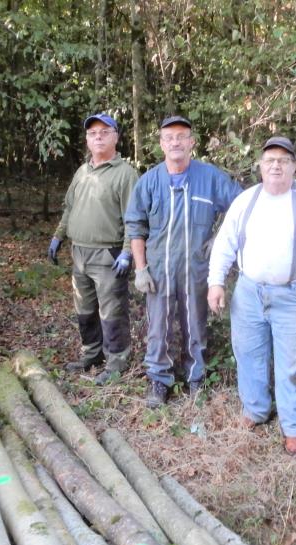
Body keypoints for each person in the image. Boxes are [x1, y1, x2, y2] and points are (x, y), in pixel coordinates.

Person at [207, 136, 296, 454]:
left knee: (293, 363)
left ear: (294, 167)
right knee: (248, 354)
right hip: (248, 292)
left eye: (283, 160)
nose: (276, 165)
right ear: (260, 165)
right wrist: (215, 282)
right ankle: (255, 410)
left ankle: (294, 426)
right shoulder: (245, 201)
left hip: (294, 296)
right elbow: (224, 245)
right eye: (270, 159)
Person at [124, 115, 242, 406]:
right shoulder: (149, 181)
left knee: (195, 323)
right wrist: (140, 269)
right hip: (158, 269)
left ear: (192, 142)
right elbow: (135, 227)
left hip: (196, 268)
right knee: (158, 327)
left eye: (181, 136)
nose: (175, 142)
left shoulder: (210, 177)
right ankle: (158, 380)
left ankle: (195, 378)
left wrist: (221, 236)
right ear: (161, 144)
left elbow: (241, 206)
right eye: (169, 137)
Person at [47, 113, 139, 384]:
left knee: (111, 312)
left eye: (104, 131)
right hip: (79, 253)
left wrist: (126, 252)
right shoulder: (82, 171)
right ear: (87, 139)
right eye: (92, 133)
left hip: (108, 254)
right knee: (85, 309)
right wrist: (58, 236)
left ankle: (117, 361)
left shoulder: (125, 174)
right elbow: (70, 208)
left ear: (116, 137)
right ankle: (92, 354)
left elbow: (133, 218)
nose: (98, 136)